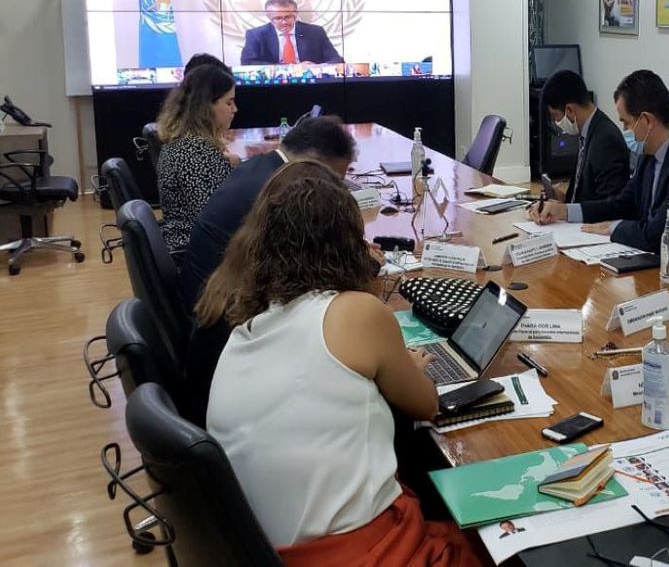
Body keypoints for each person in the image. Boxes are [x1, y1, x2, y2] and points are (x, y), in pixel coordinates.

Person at [200, 161, 481, 566]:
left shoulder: (247, 327)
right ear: (350, 242)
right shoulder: (356, 312)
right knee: (490, 543)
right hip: (359, 553)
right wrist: (411, 369)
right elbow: (427, 404)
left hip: (267, 551)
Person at [179, 115, 359, 422]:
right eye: (335, 180)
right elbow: (310, 280)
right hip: (230, 358)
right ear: (314, 164)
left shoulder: (259, 168)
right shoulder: (283, 194)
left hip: (209, 323)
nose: (337, 192)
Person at [531, 69, 669, 282]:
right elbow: (621, 204)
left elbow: (657, 234)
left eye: (626, 122)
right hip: (657, 265)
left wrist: (612, 227)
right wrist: (564, 211)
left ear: (646, 120)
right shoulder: (650, 152)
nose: (624, 129)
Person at [155, 64, 238, 258]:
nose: (235, 109)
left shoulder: (186, 142)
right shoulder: (195, 150)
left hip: (189, 243)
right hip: (197, 253)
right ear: (206, 107)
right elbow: (213, 217)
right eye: (229, 103)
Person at [542, 69, 630, 203]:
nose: (556, 122)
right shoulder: (587, 133)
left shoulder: (606, 140)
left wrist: (566, 210)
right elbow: (583, 196)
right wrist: (561, 199)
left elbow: (609, 205)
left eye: (556, 116)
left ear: (569, 110)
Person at [240, 0, 342, 66]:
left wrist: (316, 67)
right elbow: (247, 63)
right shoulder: (256, 35)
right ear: (269, 17)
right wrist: (289, 68)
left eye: (288, 17)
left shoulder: (315, 32)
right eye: (278, 18)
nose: (284, 22)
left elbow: (336, 60)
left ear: (296, 14)